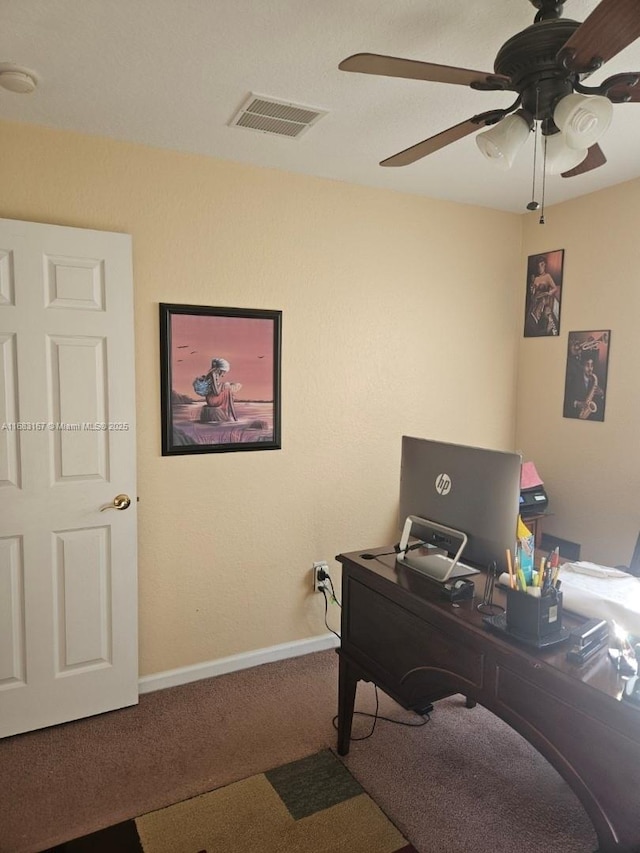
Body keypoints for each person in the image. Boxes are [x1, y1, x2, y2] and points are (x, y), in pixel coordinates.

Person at [193, 357, 242, 422]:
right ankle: (234, 417)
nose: (224, 374)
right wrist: (224, 384)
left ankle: (232, 417)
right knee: (228, 390)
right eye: (224, 372)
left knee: (228, 390)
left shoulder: (214, 374)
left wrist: (224, 385)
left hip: (213, 398)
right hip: (212, 400)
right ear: (220, 370)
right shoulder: (213, 374)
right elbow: (217, 392)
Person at [563, 351, 603, 420]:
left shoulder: (595, 380)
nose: (590, 369)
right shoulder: (573, 379)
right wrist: (577, 403)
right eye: (587, 365)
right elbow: (566, 398)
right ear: (582, 366)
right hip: (574, 416)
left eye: (592, 366)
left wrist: (602, 394)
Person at [527, 255, 560, 336]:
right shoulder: (536, 278)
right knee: (531, 319)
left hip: (543, 300)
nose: (540, 268)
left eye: (542, 265)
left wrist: (549, 293)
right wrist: (532, 290)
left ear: (545, 265)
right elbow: (533, 293)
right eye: (538, 266)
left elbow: (555, 288)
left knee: (543, 320)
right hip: (535, 300)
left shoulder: (547, 276)